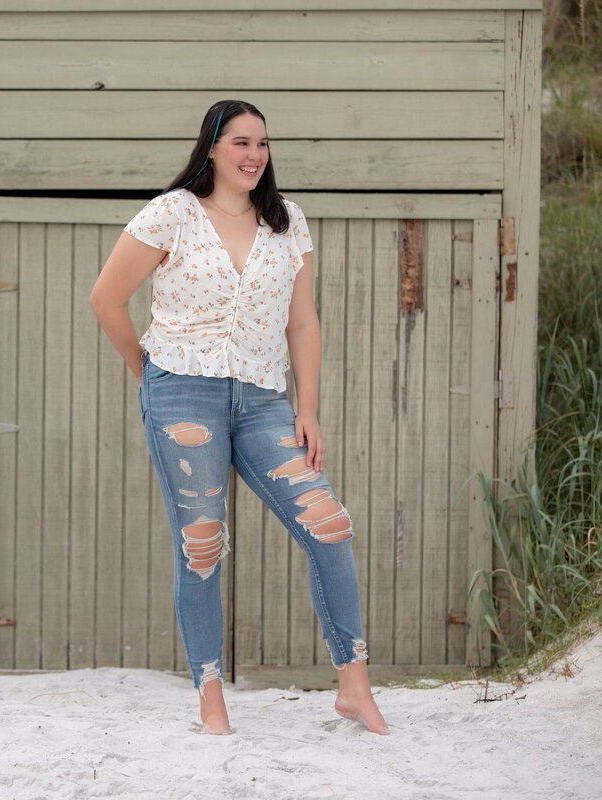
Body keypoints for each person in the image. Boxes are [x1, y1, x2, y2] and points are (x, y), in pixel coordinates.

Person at [89, 99, 388, 736]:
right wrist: (150, 374)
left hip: (262, 400)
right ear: (213, 150)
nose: (254, 155)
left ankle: (354, 686)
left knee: (329, 526)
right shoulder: (174, 212)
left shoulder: (288, 224)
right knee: (203, 545)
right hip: (182, 394)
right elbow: (106, 298)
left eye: (262, 144)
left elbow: (303, 322)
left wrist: (307, 409)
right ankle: (211, 697)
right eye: (240, 143)